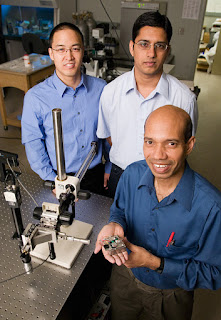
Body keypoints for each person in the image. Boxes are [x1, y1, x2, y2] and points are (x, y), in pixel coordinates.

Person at [94, 105, 221, 320]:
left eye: (171, 143)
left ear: (189, 145)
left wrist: (154, 263)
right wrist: (115, 224)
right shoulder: (132, 174)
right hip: (124, 279)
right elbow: (119, 211)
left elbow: (215, 274)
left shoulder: (211, 207)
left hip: (171, 296)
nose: (158, 155)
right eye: (150, 142)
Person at [97, 11, 198, 197]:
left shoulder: (184, 99)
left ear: (167, 50)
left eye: (159, 46)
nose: (151, 53)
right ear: (132, 47)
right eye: (144, 44)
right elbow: (109, 138)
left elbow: (184, 147)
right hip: (120, 176)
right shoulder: (111, 92)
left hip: (165, 178)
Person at [21, 22, 111, 195]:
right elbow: (33, 145)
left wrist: (109, 166)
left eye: (75, 48)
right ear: (51, 54)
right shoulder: (35, 97)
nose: (69, 56)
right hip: (58, 178)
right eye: (61, 49)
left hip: (96, 174)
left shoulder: (101, 89)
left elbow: (109, 134)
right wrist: (51, 180)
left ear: (83, 51)